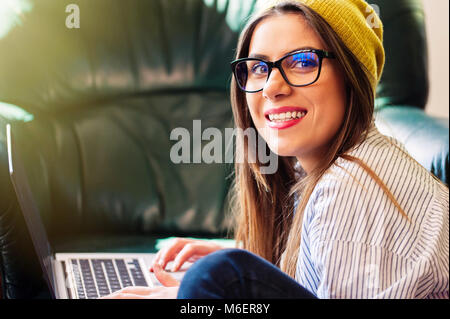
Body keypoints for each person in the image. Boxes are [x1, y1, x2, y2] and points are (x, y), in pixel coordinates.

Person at [103, 0, 449, 299]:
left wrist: (212, 291)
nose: (271, 87)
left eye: (302, 62)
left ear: (351, 77)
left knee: (220, 274)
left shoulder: (352, 188)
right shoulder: (329, 169)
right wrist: (257, 267)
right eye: (258, 68)